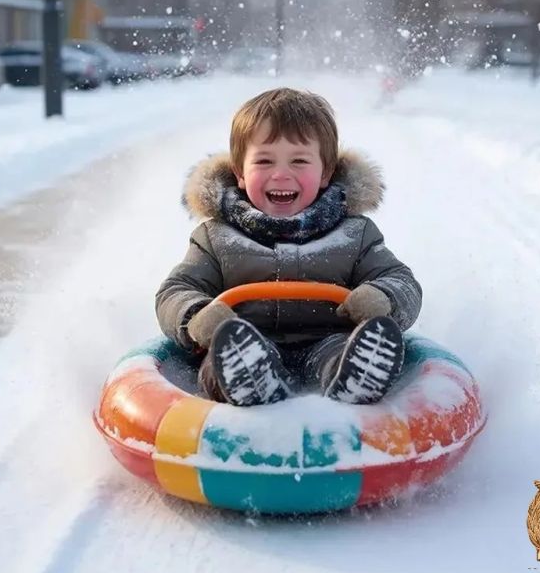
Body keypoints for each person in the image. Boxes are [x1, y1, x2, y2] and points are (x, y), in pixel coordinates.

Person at [155, 88, 422, 407]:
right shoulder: (215, 237)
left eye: (299, 161)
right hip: (246, 339)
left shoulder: (355, 234)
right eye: (264, 161)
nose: (281, 174)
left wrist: (383, 298)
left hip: (328, 340)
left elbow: (401, 281)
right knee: (219, 362)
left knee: (340, 352)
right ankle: (248, 379)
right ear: (240, 173)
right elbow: (177, 289)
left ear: (325, 173)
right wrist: (197, 316)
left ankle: (356, 378)